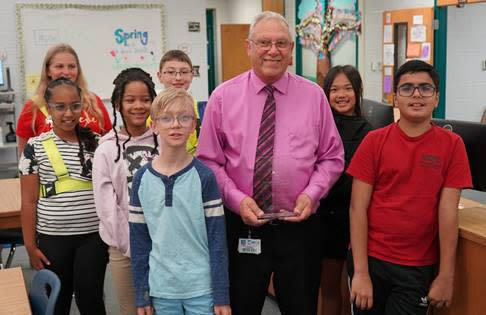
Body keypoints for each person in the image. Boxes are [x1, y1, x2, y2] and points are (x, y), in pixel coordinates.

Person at [197, 11, 344, 315]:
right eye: (264, 42)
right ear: (249, 47)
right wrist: (238, 201)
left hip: (299, 228)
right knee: (242, 306)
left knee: (301, 306)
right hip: (243, 226)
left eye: (281, 43)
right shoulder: (222, 98)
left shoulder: (315, 97)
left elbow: (332, 157)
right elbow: (209, 162)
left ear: (291, 51)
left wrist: (312, 194)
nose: (273, 50)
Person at [347, 59, 472, 315]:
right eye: (407, 88)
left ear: (436, 98)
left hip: (417, 266)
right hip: (370, 261)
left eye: (425, 88)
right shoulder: (374, 141)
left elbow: (449, 213)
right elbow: (357, 209)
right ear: (395, 98)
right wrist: (360, 272)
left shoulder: (453, 145)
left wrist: (446, 276)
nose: (416, 94)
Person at [129, 88, 231, 315]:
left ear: (193, 124)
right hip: (161, 289)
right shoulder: (141, 179)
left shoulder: (205, 177)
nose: (175, 124)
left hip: (202, 289)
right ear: (154, 125)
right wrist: (141, 294)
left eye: (183, 117)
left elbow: (217, 241)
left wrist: (221, 294)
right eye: (166, 118)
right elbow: (139, 242)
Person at [19, 78, 108, 315]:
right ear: (48, 108)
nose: (68, 113)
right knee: (57, 302)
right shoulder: (35, 147)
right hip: (53, 237)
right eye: (60, 107)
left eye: (75, 106)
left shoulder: (98, 144)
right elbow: (28, 201)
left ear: (82, 106)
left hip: (93, 237)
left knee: (92, 300)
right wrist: (29, 245)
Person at [93, 68, 158, 315]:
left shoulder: (164, 141)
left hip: (165, 245)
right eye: (130, 100)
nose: (138, 106)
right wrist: (133, 246)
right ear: (118, 104)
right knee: (133, 310)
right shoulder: (106, 150)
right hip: (124, 247)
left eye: (145, 99)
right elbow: (107, 208)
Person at [318, 65, 372, 315]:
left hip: (357, 219)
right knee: (328, 287)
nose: (341, 95)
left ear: (357, 92)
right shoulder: (320, 126)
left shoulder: (370, 132)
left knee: (354, 290)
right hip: (324, 218)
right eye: (335, 89)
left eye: (348, 89)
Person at [16, 43, 112, 153]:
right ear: (48, 71)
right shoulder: (33, 106)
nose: (66, 72)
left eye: (71, 66)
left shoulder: (93, 101)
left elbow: (109, 144)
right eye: (59, 66)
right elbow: (24, 158)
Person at [155, 49, 200, 154]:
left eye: (184, 72)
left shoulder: (199, 108)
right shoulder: (153, 107)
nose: (178, 78)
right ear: (159, 76)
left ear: (192, 75)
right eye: (171, 72)